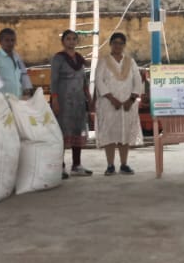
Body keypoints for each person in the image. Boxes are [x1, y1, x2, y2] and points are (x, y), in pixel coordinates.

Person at [94, 32, 144, 175]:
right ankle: (110, 165)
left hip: (128, 105)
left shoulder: (130, 61)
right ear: (110, 44)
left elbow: (137, 81)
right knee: (109, 133)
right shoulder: (103, 61)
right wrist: (112, 99)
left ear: (124, 45)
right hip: (108, 104)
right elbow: (99, 81)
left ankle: (124, 164)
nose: (118, 46)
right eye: (115, 43)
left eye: (120, 43)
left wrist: (131, 100)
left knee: (125, 133)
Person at [51, 30, 93, 177]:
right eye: (68, 39)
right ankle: (60, 166)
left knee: (77, 131)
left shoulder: (80, 59)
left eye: (74, 39)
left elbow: (83, 80)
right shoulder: (58, 58)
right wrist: (55, 99)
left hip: (78, 101)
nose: (71, 41)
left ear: (77, 42)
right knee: (62, 132)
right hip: (63, 101)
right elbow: (54, 80)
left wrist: (88, 96)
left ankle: (76, 165)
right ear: (63, 41)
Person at [0, 27, 34, 98]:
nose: (10, 43)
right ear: (0, 41)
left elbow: (23, 74)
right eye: (7, 40)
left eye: (13, 40)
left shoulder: (17, 57)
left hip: (18, 99)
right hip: (2, 101)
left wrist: (27, 91)